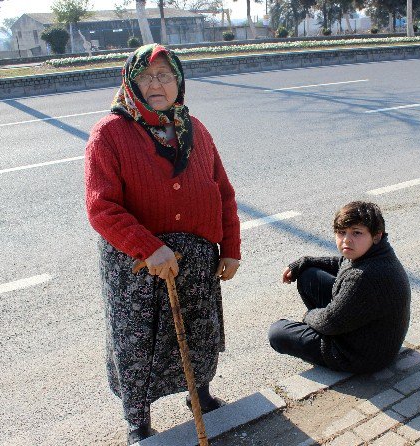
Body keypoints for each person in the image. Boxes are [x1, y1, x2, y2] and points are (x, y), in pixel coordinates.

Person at [84, 44, 241, 444]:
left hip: (197, 258)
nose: (156, 84)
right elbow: (101, 206)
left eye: (165, 75)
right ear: (131, 82)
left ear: (179, 81)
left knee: (197, 330)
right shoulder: (110, 133)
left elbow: (222, 191)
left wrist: (230, 247)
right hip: (137, 264)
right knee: (139, 341)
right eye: (146, 76)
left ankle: (199, 394)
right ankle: (138, 419)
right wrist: (148, 246)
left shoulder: (195, 128)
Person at [268, 201, 411, 374]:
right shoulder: (375, 253)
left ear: (376, 235)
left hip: (360, 356)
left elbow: (329, 321)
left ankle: (327, 339)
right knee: (308, 275)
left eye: (356, 233)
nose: (346, 240)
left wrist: (309, 316)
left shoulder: (365, 276)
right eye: (341, 232)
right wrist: (305, 262)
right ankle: (328, 328)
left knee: (278, 333)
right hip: (369, 336)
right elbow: (341, 263)